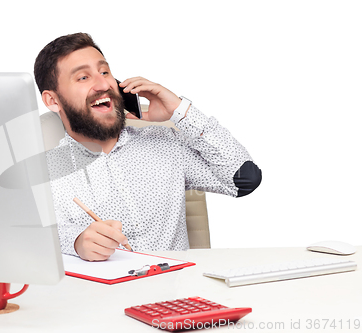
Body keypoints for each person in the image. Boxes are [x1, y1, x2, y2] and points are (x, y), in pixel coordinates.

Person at [34, 33, 261, 261]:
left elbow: (244, 180)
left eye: (105, 72)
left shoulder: (166, 142)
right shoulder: (44, 172)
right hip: (106, 295)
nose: (103, 84)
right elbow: (34, 236)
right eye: (83, 78)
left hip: (175, 290)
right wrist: (77, 242)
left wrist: (180, 111)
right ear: (53, 101)